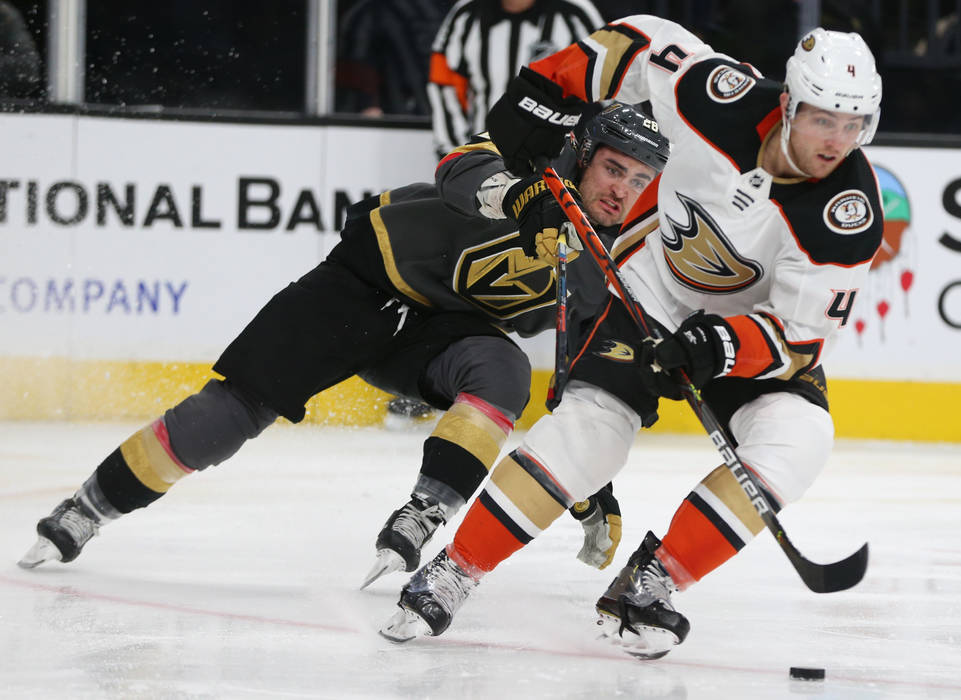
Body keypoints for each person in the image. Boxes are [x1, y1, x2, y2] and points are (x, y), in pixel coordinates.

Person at [382, 17, 885, 661]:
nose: (836, 141)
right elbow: (640, 43)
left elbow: (800, 340)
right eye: (823, 119)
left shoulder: (847, 215)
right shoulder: (715, 98)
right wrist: (547, 86)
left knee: (800, 439)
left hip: (746, 329)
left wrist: (718, 348)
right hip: (652, 291)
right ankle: (456, 568)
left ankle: (652, 582)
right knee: (592, 433)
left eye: (853, 125)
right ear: (788, 104)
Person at [18, 104, 670, 594]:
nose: (621, 189)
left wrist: (591, 481)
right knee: (226, 417)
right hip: (362, 284)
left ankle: (423, 513)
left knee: (503, 370)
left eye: (639, 179)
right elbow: (460, 166)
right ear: (585, 156)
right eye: (614, 167)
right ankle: (90, 506)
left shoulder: (607, 262)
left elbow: (584, 378)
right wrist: (518, 196)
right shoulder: (539, 164)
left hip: (440, 332)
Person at [428, 0, 603, 160]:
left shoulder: (575, 13)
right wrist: (456, 156)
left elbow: (608, 88)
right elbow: (444, 87)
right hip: (483, 161)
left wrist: (587, 160)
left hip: (557, 166)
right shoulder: (466, 14)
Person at [335, 0, 453, 117]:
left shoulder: (367, 12)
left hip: (423, 111)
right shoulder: (370, 12)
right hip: (404, 113)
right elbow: (356, 65)